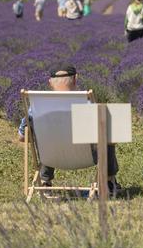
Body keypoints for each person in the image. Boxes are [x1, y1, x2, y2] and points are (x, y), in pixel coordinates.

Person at [17, 64, 120, 198]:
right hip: (86, 158)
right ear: (76, 79)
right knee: (109, 134)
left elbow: (21, 137)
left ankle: (44, 182)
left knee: (47, 137)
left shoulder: (35, 109)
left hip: (50, 157)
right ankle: (108, 182)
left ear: (50, 83)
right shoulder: (87, 105)